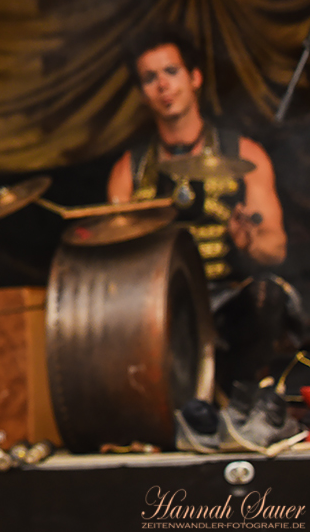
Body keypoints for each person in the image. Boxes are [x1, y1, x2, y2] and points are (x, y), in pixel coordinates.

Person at [107, 26, 299, 391]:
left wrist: (249, 241)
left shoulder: (245, 155)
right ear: (142, 94)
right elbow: (117, 265)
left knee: (267, 294)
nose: (163, 85)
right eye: (150, 78)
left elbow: (276, 249)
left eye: (171, 71)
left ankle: (242, 398)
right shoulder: (128, 172)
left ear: (194, 78)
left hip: (227, 301)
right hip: (158, 308)